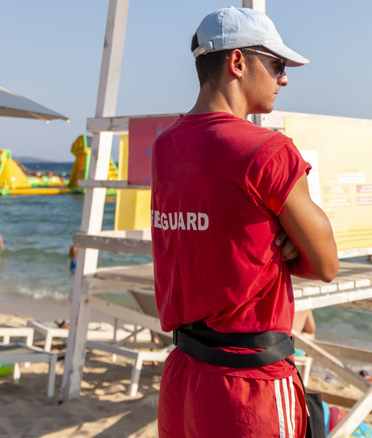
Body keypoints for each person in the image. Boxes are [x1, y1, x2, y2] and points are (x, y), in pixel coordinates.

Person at [151, 7, 338, 438]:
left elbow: (207, 237)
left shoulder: (165, 146)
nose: (284, 78)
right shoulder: (267, 150)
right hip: (249, 386)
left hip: (184, 374)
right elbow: (326, 265)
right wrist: (287, 241)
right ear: (238, 62)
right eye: (276, 64)